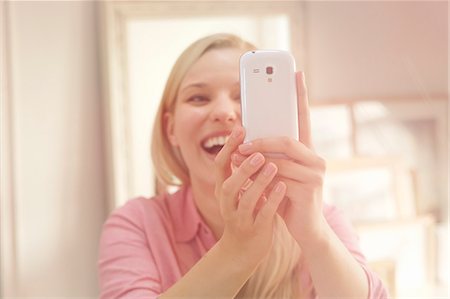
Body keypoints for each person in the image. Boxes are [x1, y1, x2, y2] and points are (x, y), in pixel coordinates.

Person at [98, 33, 388, 298]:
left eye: (242, 97)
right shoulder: (138, 224)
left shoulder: (321, 220)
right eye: (198, 97)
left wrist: (315, 235)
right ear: (170, 128)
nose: (224, 113)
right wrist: (235, 252)